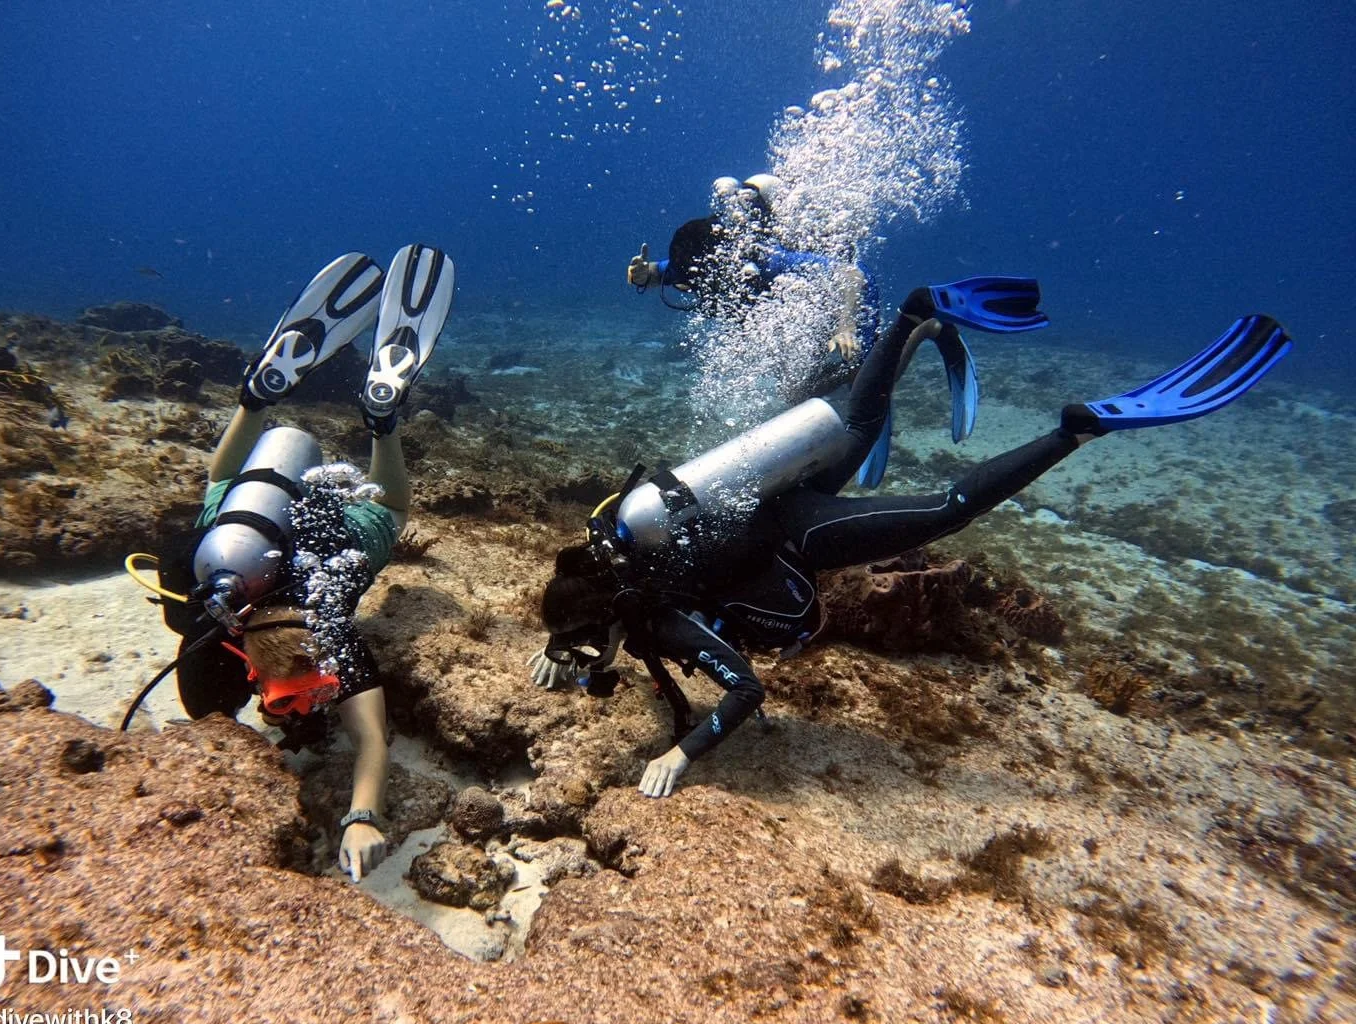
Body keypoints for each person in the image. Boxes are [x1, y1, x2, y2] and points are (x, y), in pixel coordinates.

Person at [533, 276, 1292, 798]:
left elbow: (746, 688)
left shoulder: (652, 613)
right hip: (763, 497)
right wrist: (561, 638)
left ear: (605, 618)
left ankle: (1076, 430)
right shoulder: (610, 546)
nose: (581, 664)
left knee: (947, 511)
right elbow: (588, 591)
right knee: (860, 424)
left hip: (799, 532)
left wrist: (682, 752)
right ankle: (912, 313)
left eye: (579, 648)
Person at [126, 246, 456, 881]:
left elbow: (371, 744)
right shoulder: (224, 614)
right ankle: (278, 405)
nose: (304, 711)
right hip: (275, 542)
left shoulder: (331, 640)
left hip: (309, 537)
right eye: (295, 707)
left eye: (293, 704)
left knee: (383, 514)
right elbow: (369, 744)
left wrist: (363, 815)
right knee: (219, 503)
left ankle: (341, 420)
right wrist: (358, 815)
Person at [625, 173, 881, 381]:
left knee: (862, 373)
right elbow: (656, 273)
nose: (684, 285)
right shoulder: (691, 266)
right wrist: (639, 274)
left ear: (717, 269)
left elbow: (852, 274)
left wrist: (846, 327)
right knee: (796, 392)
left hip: (847, 299)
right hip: (804, 310)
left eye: (690, 282)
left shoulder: (768, 262)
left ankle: (910, 325)